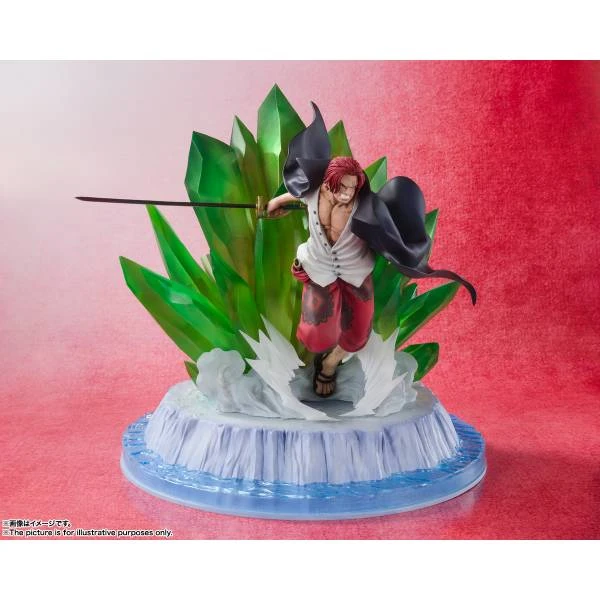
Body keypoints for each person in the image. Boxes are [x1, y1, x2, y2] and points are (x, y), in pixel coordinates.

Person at [267, 157, 374, 397]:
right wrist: (277, 202)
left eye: (352, 188)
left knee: (358, 334)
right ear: (328, 182)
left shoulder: (365, 205)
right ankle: (319, 357)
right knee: (314, 335)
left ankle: (330, 364)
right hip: (319, 268)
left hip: (356, 272)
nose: (347, 193)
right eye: (342, 186)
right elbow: (297, 194)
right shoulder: (314, 192)